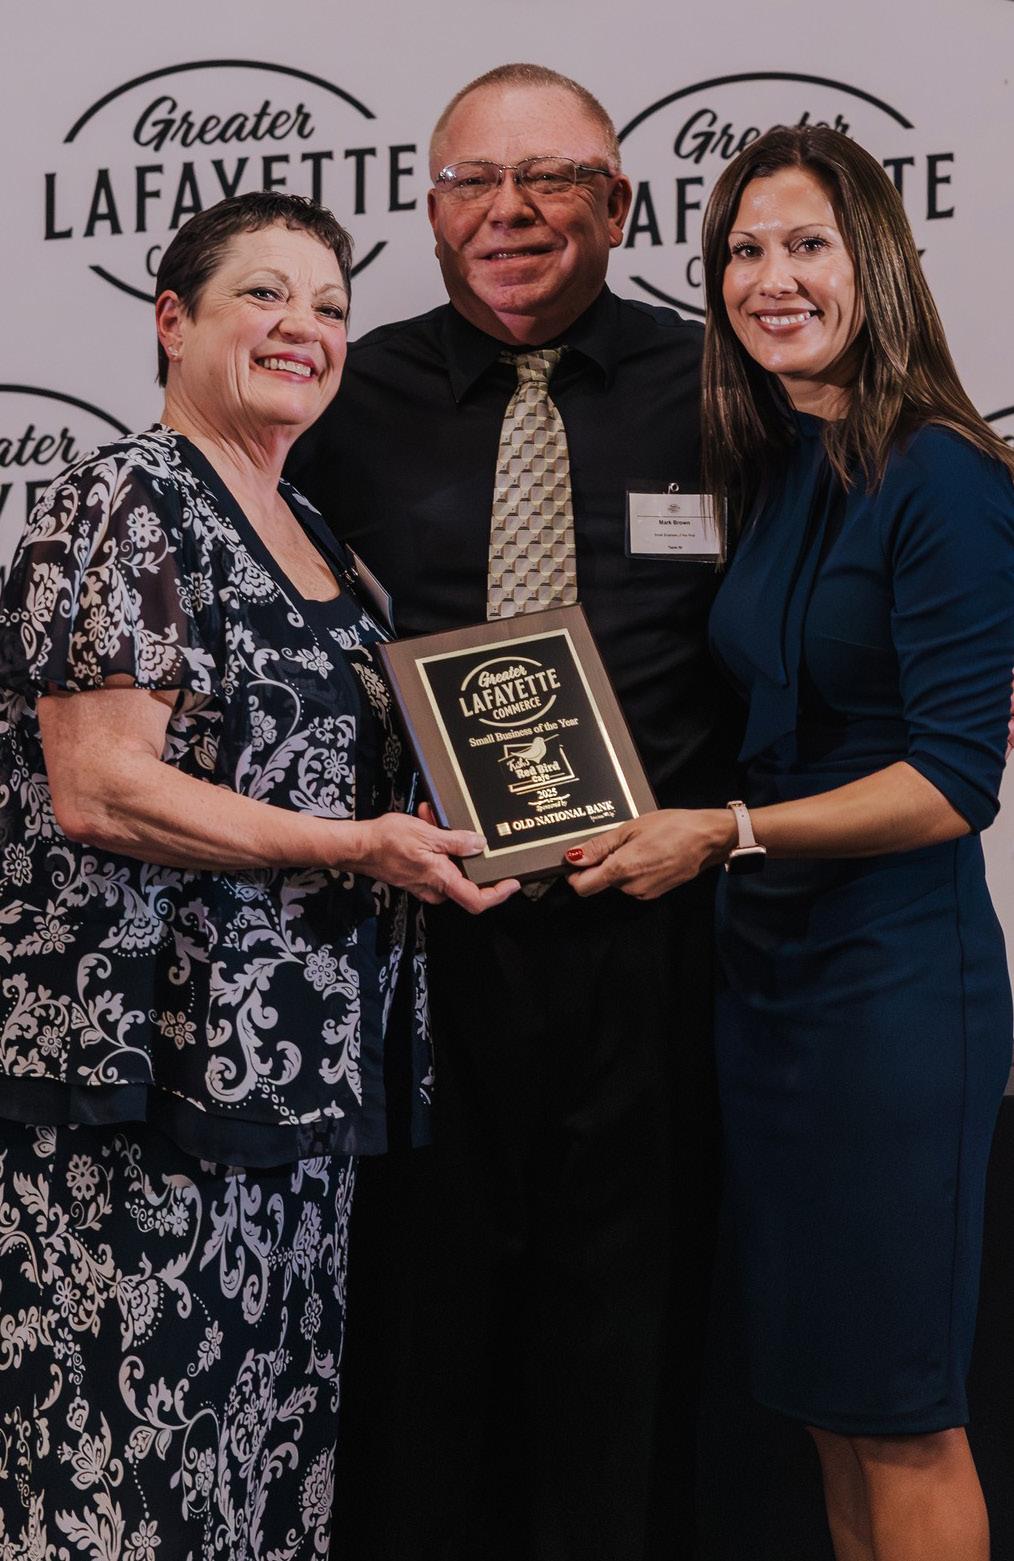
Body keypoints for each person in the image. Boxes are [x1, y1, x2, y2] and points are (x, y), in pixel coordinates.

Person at [0, 190, 516, 1561]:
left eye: (332, 305)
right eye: (265, 295)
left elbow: (321, 771)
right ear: (173, 321)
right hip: (142, 1089)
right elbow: (101, 785)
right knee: (127, 1473)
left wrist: (447, 822)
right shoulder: (121, 499)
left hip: (291, 1089)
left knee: (262, 1474)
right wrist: (358, 846)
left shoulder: (316, 531)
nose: (307, 327)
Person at [287, 62, 737, 1561]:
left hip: (654, 939)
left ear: (619, 203)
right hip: (419, 940)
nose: (511, 211)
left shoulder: (721, 387)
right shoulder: (343, 395)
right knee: (423, 1344)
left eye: (551, 179)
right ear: (428, 210)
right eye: (473, 180)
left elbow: (832, 599)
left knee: (629, 1340)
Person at [567, 126, 1014, 1560]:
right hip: (768, 981)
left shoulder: (946, 477)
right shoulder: (783, 461)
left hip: (894, 992)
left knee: (902, 1411)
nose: (772, 278)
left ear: (875, 258)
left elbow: (950, 782)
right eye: (743, 252)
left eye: (807, 243)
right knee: (823, 1400)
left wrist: (728, 831)